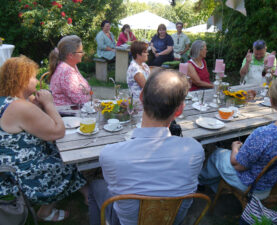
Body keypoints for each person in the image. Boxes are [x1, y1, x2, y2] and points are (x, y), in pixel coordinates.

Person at [88, 69, 205, 225]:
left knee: (96, 185)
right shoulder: (195, 151)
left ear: (141, 97)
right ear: (179, 110)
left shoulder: (110, 155)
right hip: (172, 221)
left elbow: (114, 187)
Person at [0, 56, 87, 222]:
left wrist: (37, 107)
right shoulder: (20, 106)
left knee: (57, 151)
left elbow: (28, 124)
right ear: (22, 80)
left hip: (6, 165)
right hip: (17, 175)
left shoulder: (8, 101)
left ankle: (85, 191)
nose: (36, 80)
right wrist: (49, 104)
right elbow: (57, 131)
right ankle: (45, 210)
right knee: (65, 162)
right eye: (33, 77)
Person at [199, 77, 277, 198]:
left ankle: (200, 182)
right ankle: (218, 187)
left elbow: (238, 165)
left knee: (218, 154)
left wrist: (234, 148)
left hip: (256, 186)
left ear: (272, 102)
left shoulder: (264, 134)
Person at [49, 35, 91, 106]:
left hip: (72, 112)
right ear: (70, 55)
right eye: (80, 52)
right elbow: (80, 100)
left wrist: (87, 92)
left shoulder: (71, 66)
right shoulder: (66, 71)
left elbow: (86, 89)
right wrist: (88, 94)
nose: (83, 54)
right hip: (66, 114)